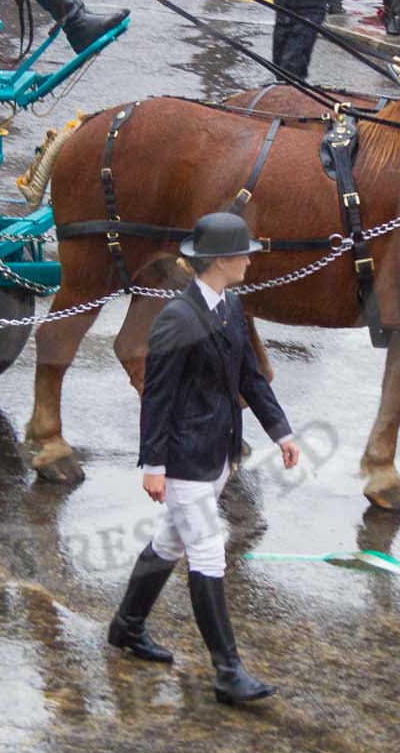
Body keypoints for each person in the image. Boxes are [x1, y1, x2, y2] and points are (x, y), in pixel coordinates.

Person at [108, 211, 299, 705]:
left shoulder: (231, 307)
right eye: (243, 253)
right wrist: (154, 466)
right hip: (185, 460)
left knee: (171, 542)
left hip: (216, 453)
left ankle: (126, 627)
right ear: (220, 261)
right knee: (207, 551)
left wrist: (281, 431)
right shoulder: (177, 319)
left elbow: (250, 377)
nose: (249, 260)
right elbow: (158, 396)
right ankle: (228, 672)